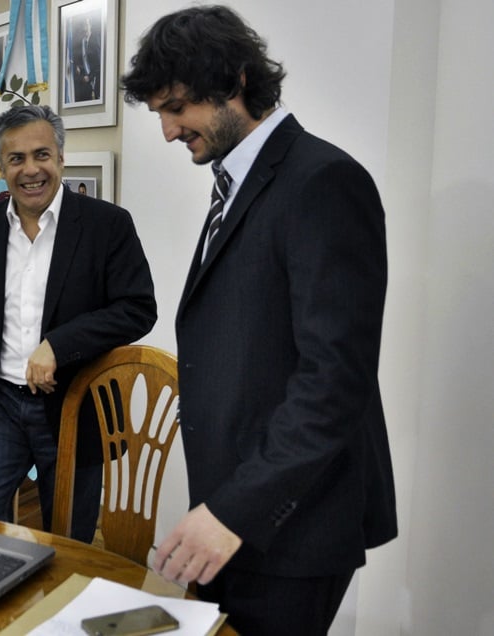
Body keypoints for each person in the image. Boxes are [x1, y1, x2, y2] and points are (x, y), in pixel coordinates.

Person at [120, 6, 396, 634]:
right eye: (160, 112)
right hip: (239, 505)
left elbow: (334, 382)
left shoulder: (324, 181)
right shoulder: (238, 182)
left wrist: (235, 512)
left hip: (290, 521)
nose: (167, 131)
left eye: (177, 108)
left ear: (236, 81)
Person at [0, 104, 157, 543]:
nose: (30, 170)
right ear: (2, 167)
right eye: (16, 159)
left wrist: (59, 345)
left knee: (67, 540)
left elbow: (138, 308)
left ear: (61, 158)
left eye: (41, 154)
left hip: (73, 407)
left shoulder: (108, 225)